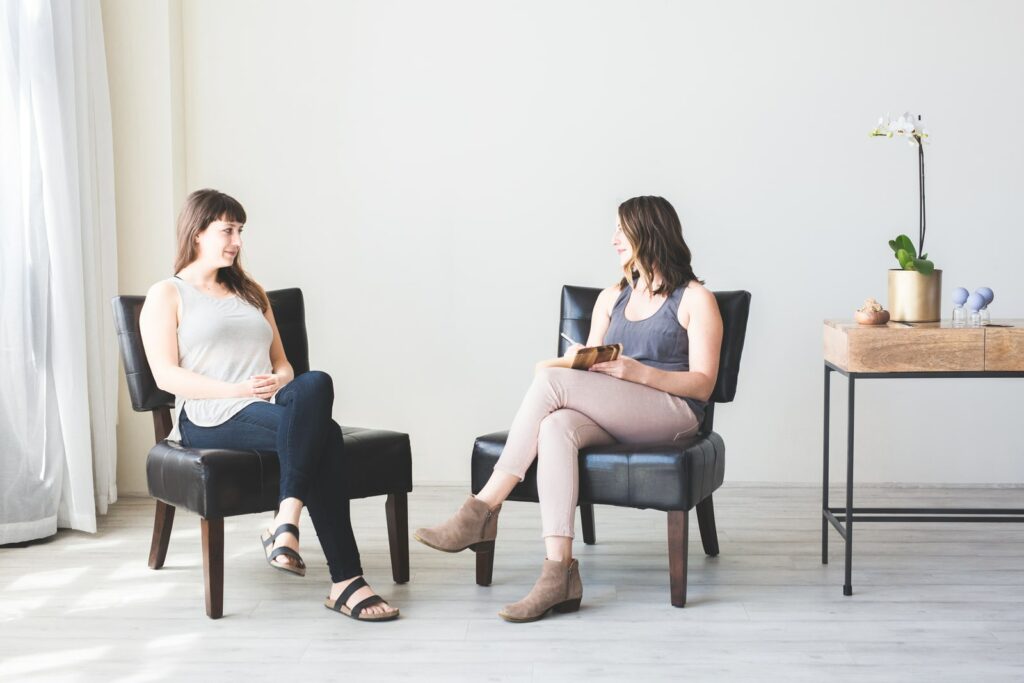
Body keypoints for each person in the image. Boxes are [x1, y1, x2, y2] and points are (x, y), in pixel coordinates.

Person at [414, 195, 723, 622]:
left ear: (648, 231)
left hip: (672, 414)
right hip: (616, 412)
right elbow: (591, 369)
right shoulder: (611, 298)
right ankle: (559, 572)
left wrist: (638, 372)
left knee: (551, 382)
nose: (614, 238)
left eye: (622, 228)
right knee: (557, 425)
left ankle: (481, 510)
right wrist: (587, 362)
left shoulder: (694, 299)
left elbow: (704, 385)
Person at [139, 189, 398, 621]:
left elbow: (284, 366)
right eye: (227, 230)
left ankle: (286, 518)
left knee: (316, 382)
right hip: (207, 416)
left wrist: (274, 381)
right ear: (197, 231)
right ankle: (345, 580)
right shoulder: (167, 294)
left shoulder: (251, 291)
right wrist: (236, 391)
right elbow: (166, 376)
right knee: (327, 436)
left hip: (265, 407)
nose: (236, 241)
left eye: (240, 231)